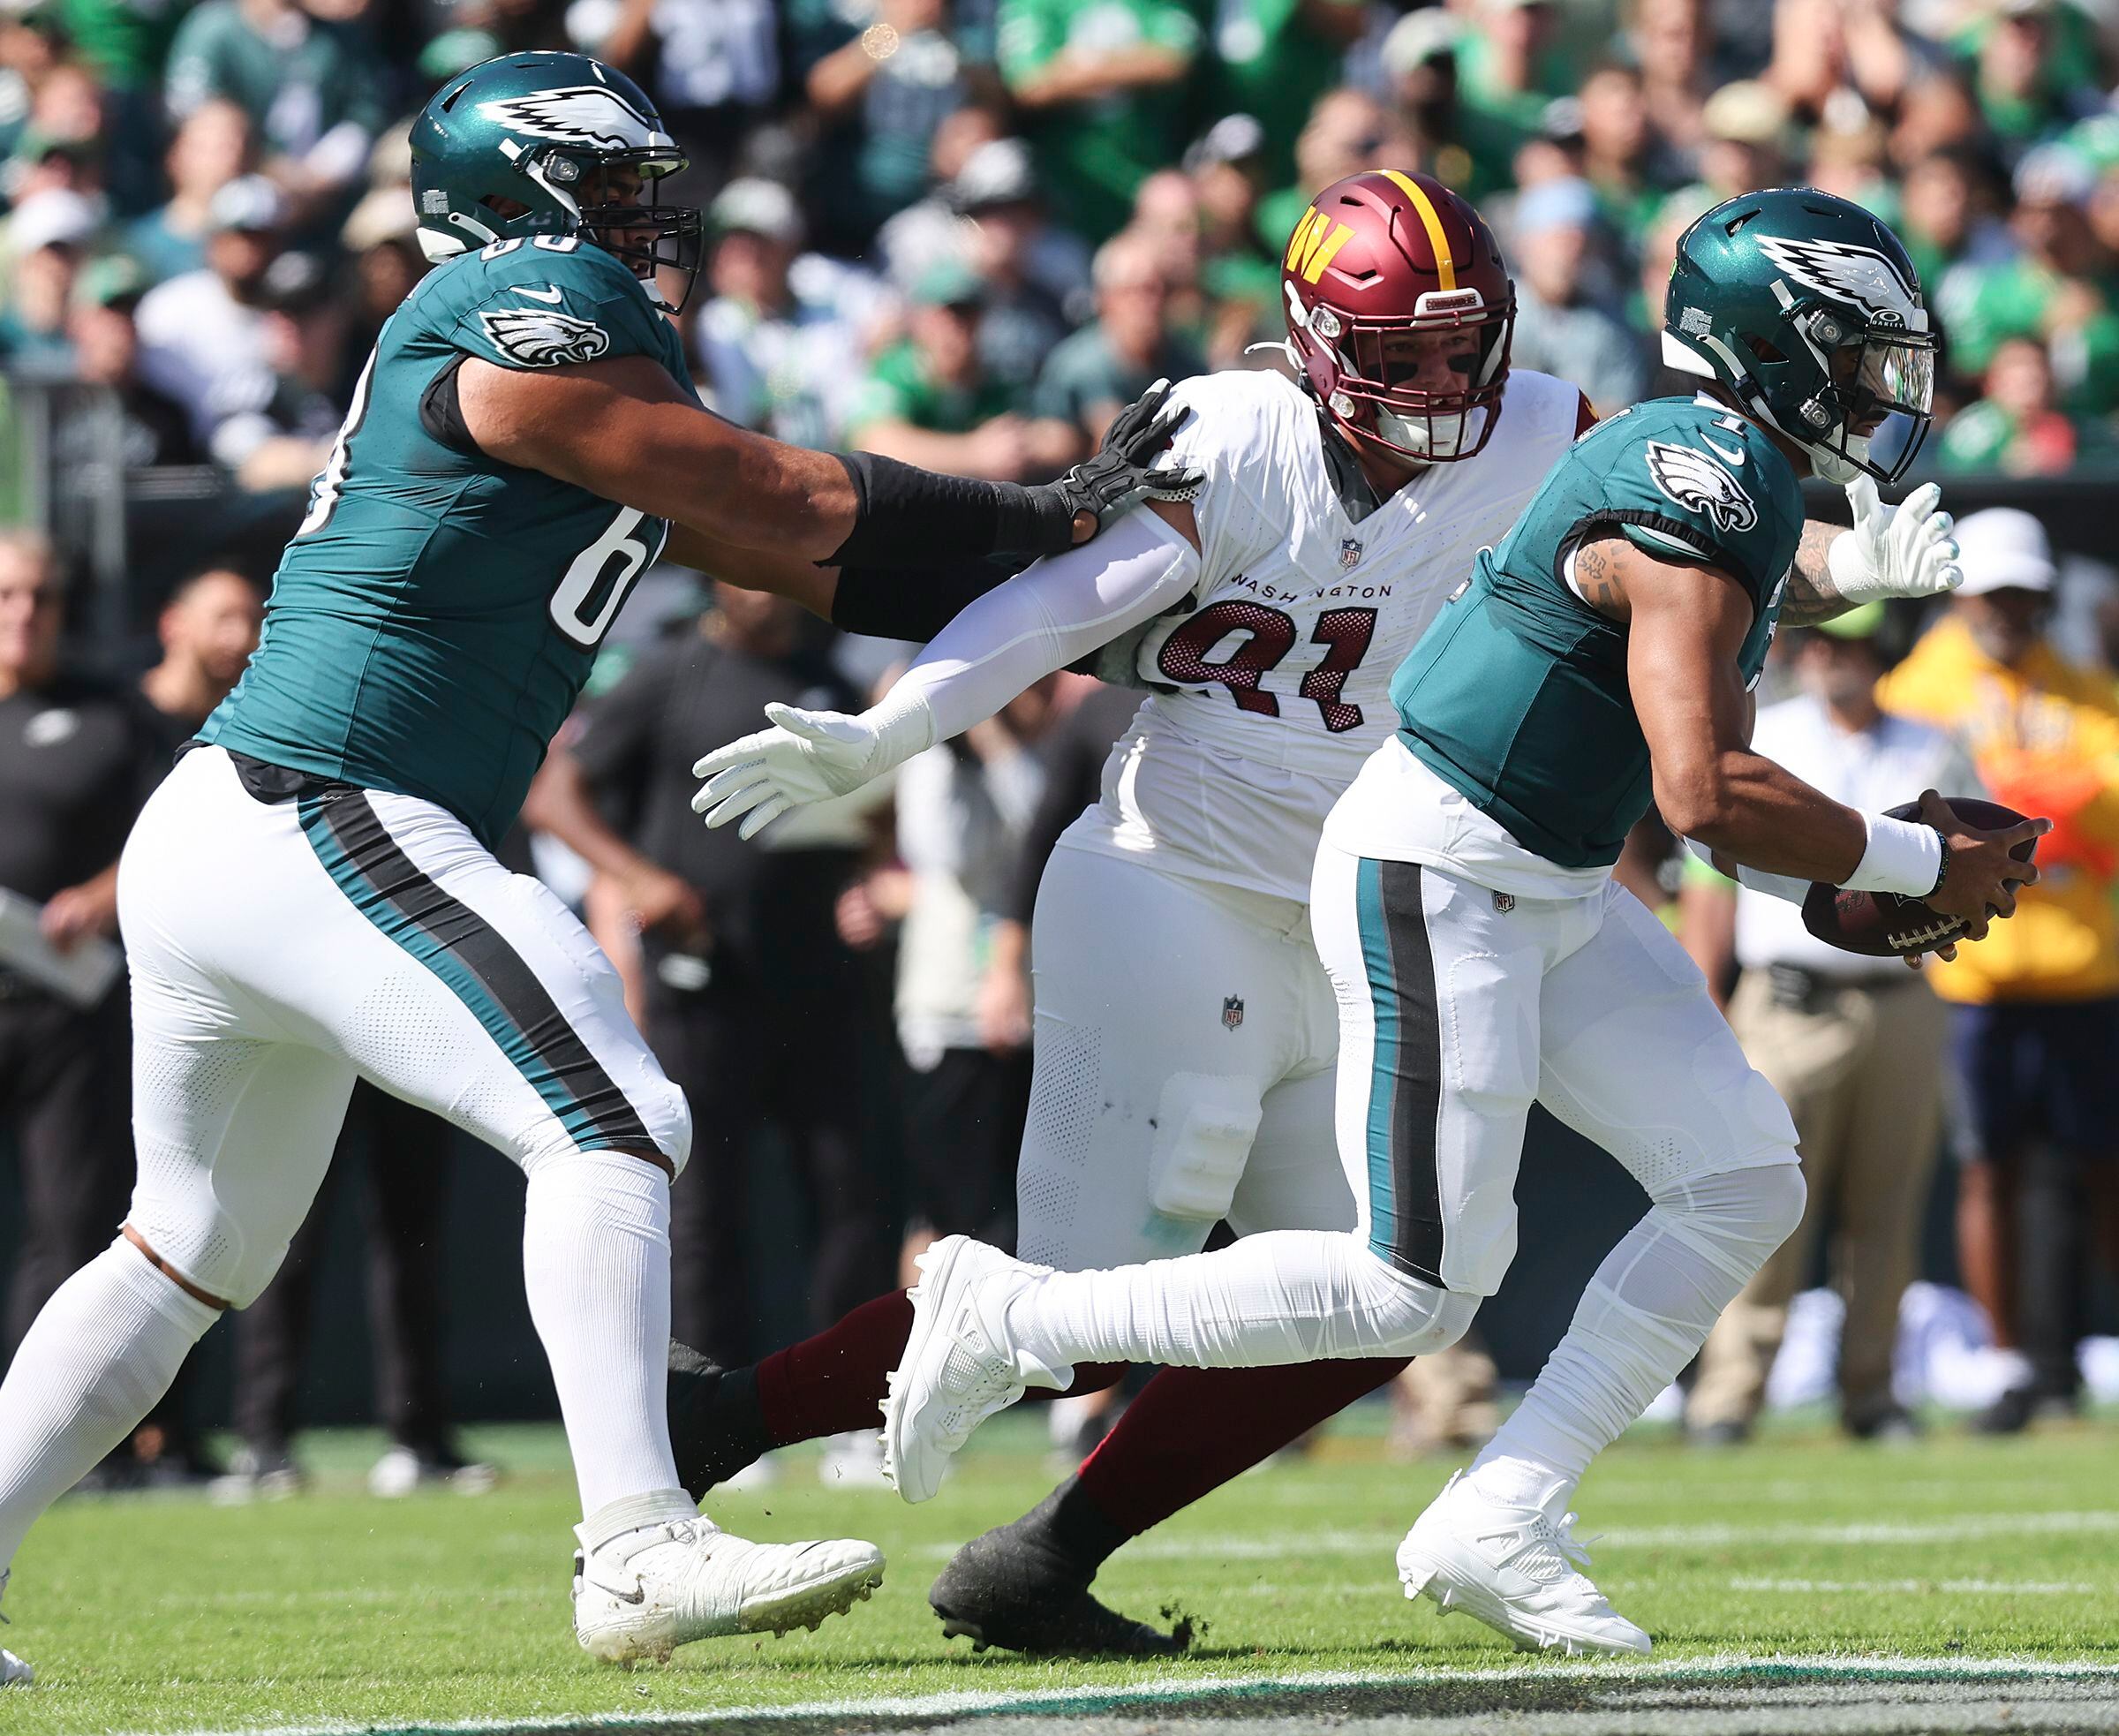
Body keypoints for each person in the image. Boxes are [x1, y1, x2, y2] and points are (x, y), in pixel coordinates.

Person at [686, 188, 2032, 1659]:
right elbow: (1074, 598)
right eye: (1406, 355)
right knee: (1129, 1321)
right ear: (1316, 342)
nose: (1445, 391)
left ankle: (1055, 1553)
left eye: (1468, 354)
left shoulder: (1566, 432)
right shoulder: (1241, 433)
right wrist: (895, 730)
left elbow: (1673, 641)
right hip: (1184, 881)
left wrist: (1842, 577)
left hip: (1440, 871)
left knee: (1393, 1294)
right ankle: (733, 1417)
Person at [0, 49, 1194, 1687]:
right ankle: (636, 1539)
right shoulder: (521, 301)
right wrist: (1047, 509)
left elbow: (795, 550)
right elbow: (773, 488)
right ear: (521, 201)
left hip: (252, 826)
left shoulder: (571, 385)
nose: (651, 222)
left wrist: (1093, 605)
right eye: (617, 188)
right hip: (324, 799)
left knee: (183, 1248)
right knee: (615, 1118)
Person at [1681, 607, 1976, 1445]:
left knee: (1886, 1211)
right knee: (1764, 1202)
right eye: (1817, 641)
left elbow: (1964, 878)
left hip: (1904, 999)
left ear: (1879, 651)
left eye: (1847, 642)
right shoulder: (1767, 735)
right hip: (1787, 998)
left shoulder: (1933, 742)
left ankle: (1874, 1392)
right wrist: (1706, 993)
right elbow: (1710, 880)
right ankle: (1729, 1396)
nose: (1826, 655)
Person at [1874, 508, 2119, 1435]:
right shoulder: (1922, 684)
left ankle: (2066, 1357)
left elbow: (2108, 793)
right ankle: (2011, 1362)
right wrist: (2051, 808)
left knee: (2099, 1168)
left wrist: (2011, 806)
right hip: (1970, 972)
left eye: (2023, 595)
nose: (2008, 610)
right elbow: (1916, 808)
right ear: (1962, 593)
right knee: (1988, 1170)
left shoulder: (2085, 684)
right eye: (1994, 593)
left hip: (2081, 967)